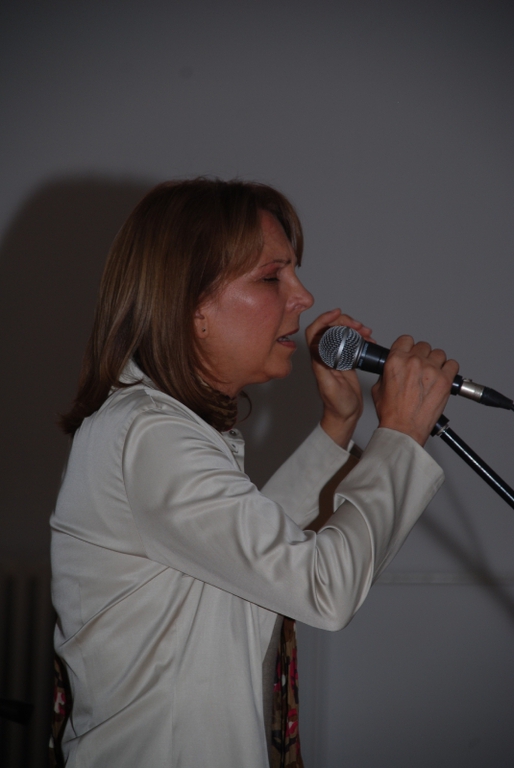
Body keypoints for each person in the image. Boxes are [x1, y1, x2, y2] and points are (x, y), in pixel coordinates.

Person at [50, 178, 458, 767]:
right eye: (272, 278)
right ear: (192, 307)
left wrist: (339, 424)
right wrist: (398, 438)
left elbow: (248, 564)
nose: (303, 296)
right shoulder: (149, 435)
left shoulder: (155, 428)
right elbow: (321, 587)